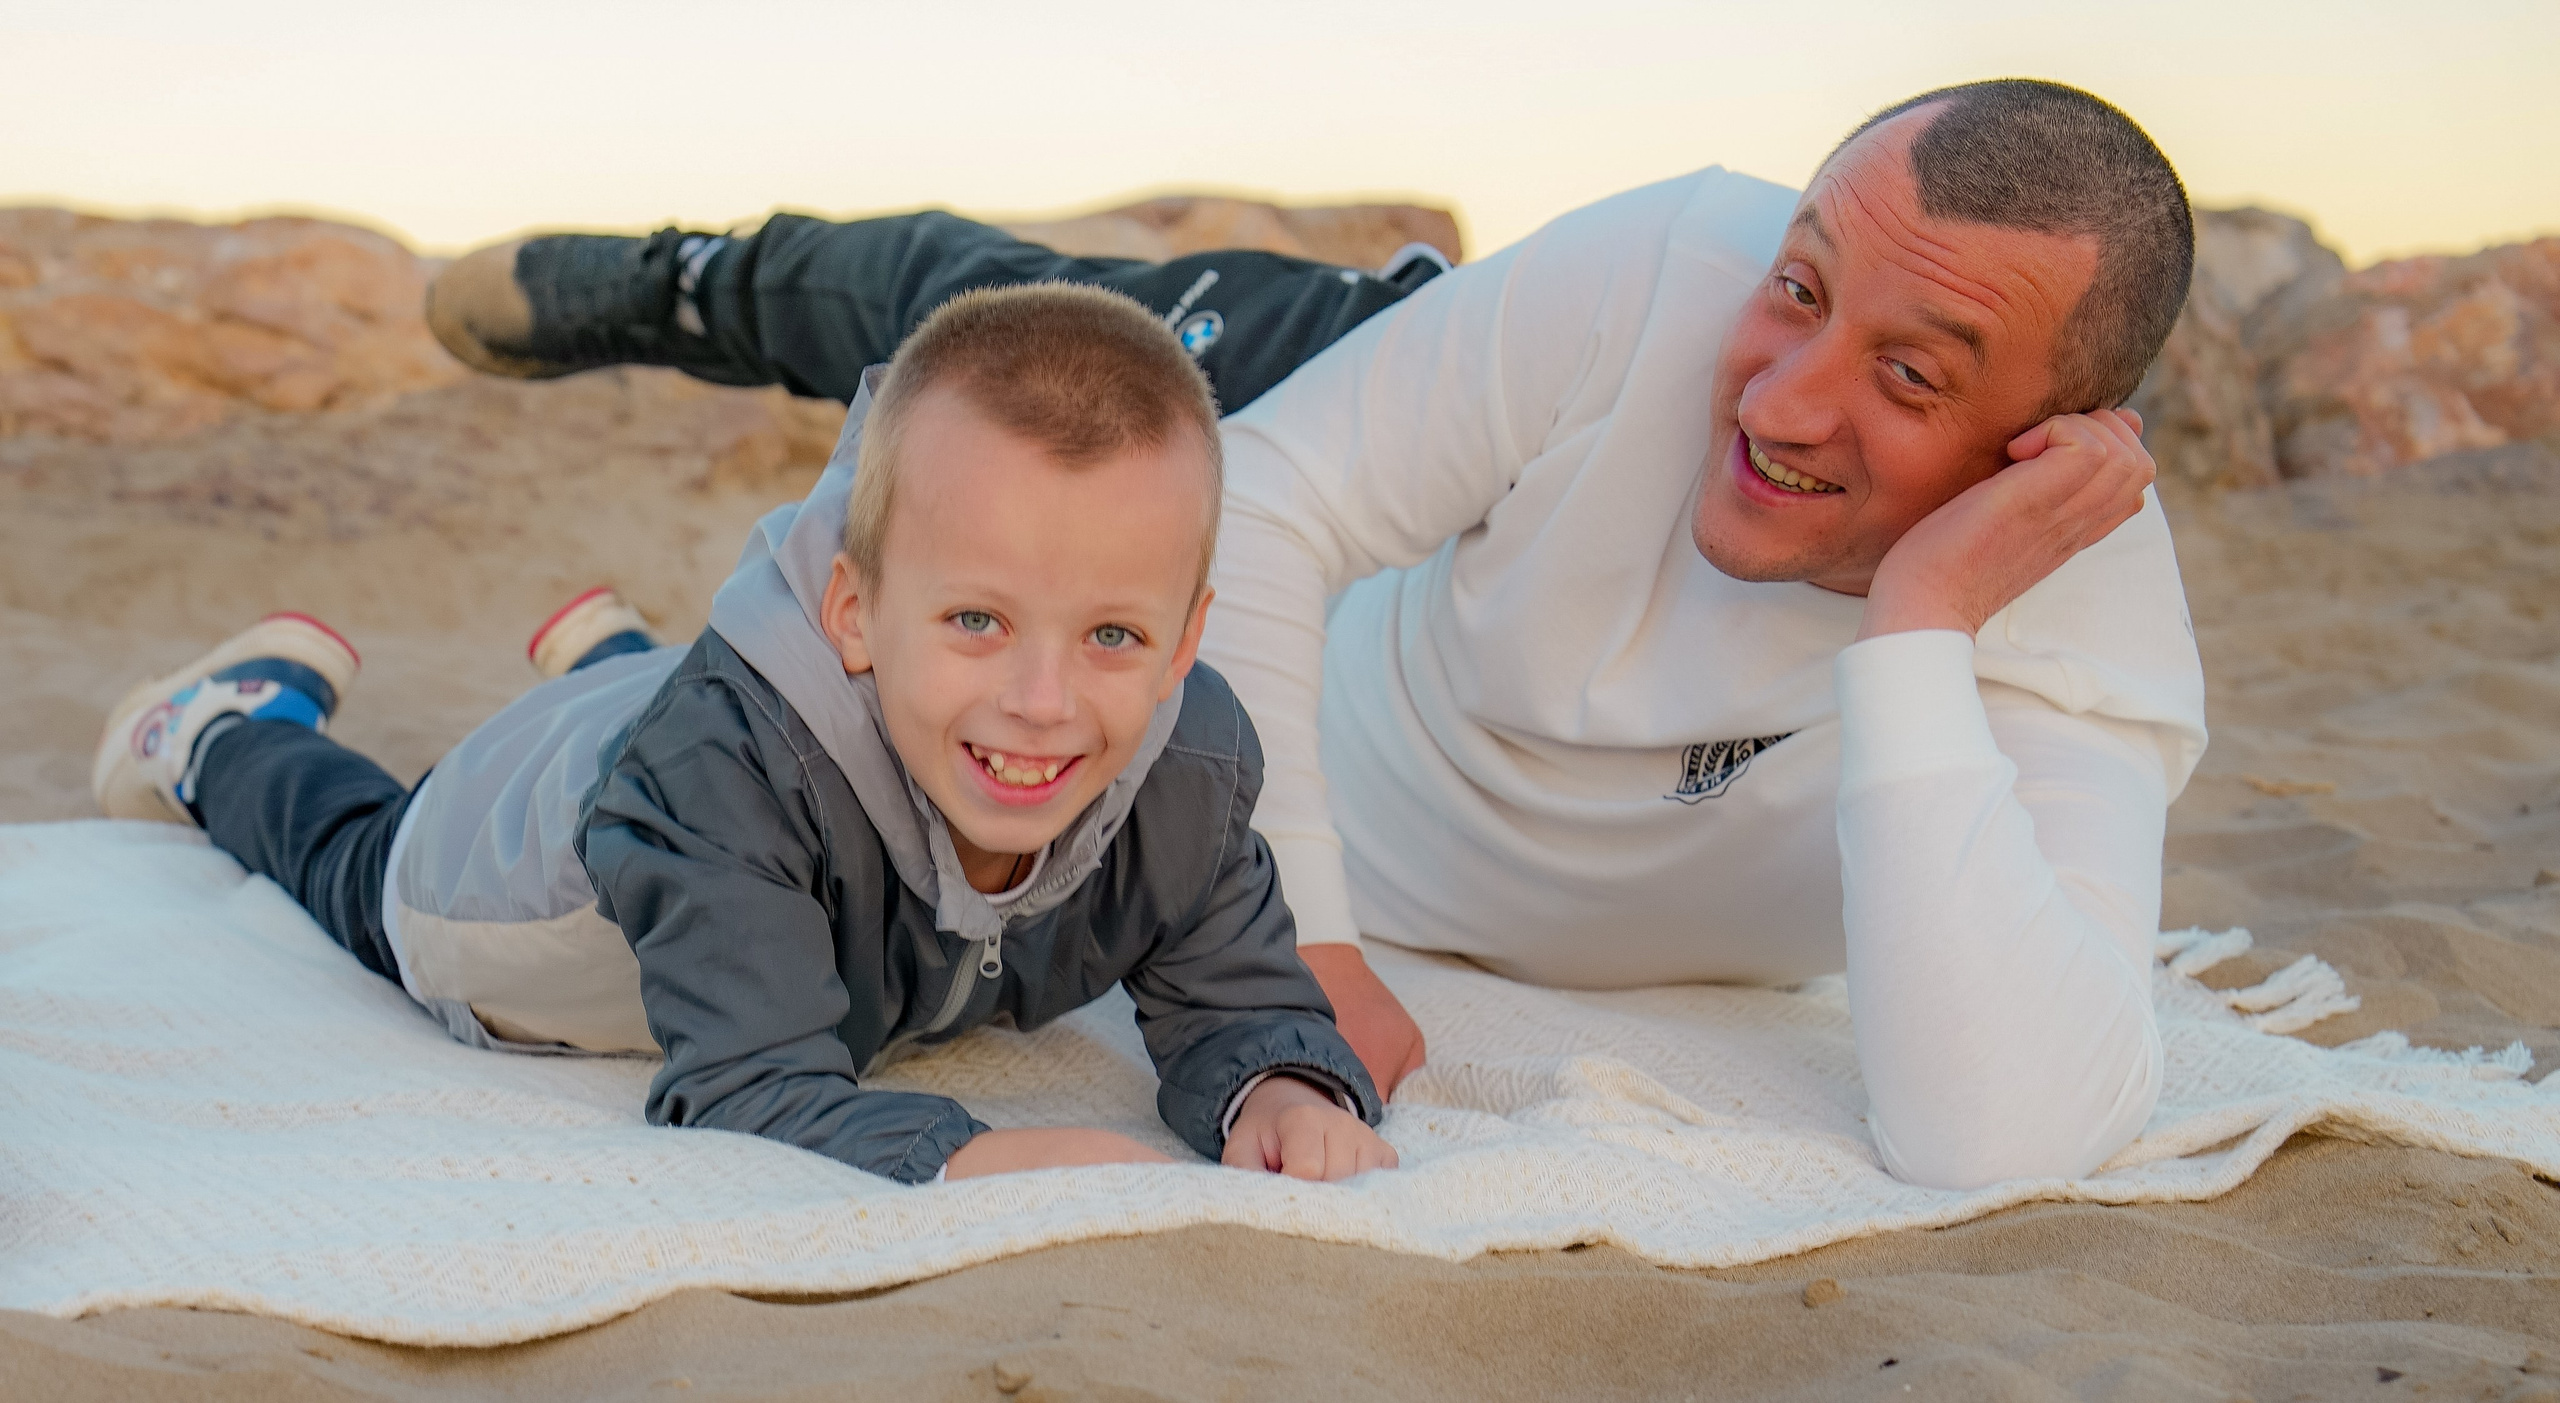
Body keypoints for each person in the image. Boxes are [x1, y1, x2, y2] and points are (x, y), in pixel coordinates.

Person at [428, 78, 2207, 1191]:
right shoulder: (1664, 270)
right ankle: (687, 276)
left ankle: (617, 673)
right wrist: (1322, 944)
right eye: (1801, 289)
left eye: (1909, 374)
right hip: (1325, 463)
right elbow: (1269, 508)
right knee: (1021, 356)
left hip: (1119, 717)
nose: (1789, 398)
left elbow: (1997, 1137)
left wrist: (1917, 634)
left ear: (2046, 446)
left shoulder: (2075, 625)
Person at [90, 284, 1397, 1186]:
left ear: (1184, 640)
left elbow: (1241, 996)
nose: (1046, 701)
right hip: (526, 862)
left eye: (1113, 637)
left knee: (709, 706)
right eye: (979, 620)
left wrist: (1279, 1085)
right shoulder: (717, 776)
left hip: (724, 716)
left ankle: (620, 652)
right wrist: (958, 1153)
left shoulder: (1193, 761)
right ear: (854, 610)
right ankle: (223, 728)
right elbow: (751, 1082)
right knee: (355, 851)